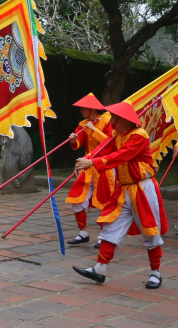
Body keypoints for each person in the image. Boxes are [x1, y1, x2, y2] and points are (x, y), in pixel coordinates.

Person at [72, 100, 167, 290]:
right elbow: (104, 148)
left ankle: (156, 273)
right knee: (110, 227)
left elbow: (121, 155)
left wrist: (92, 163)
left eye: (115, 118)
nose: (112, 121)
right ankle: (100, 269)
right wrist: (86, 158)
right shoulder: (119, 134)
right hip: (124, 189)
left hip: (142, 189)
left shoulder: (139, 136)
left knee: (150, 232)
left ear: (125, 120)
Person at [65, 94, 114, 246]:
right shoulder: (83, 123)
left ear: (91, 108)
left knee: (105, 202)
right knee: (77, 199)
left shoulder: (107, 120)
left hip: (104, 166)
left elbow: (110, 143)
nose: (80, 110)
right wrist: (74, 139)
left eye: (83, 108)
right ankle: (83, 233)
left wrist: (94, 130)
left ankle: (104, 237)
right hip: (88, 165)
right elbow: (78, 142)